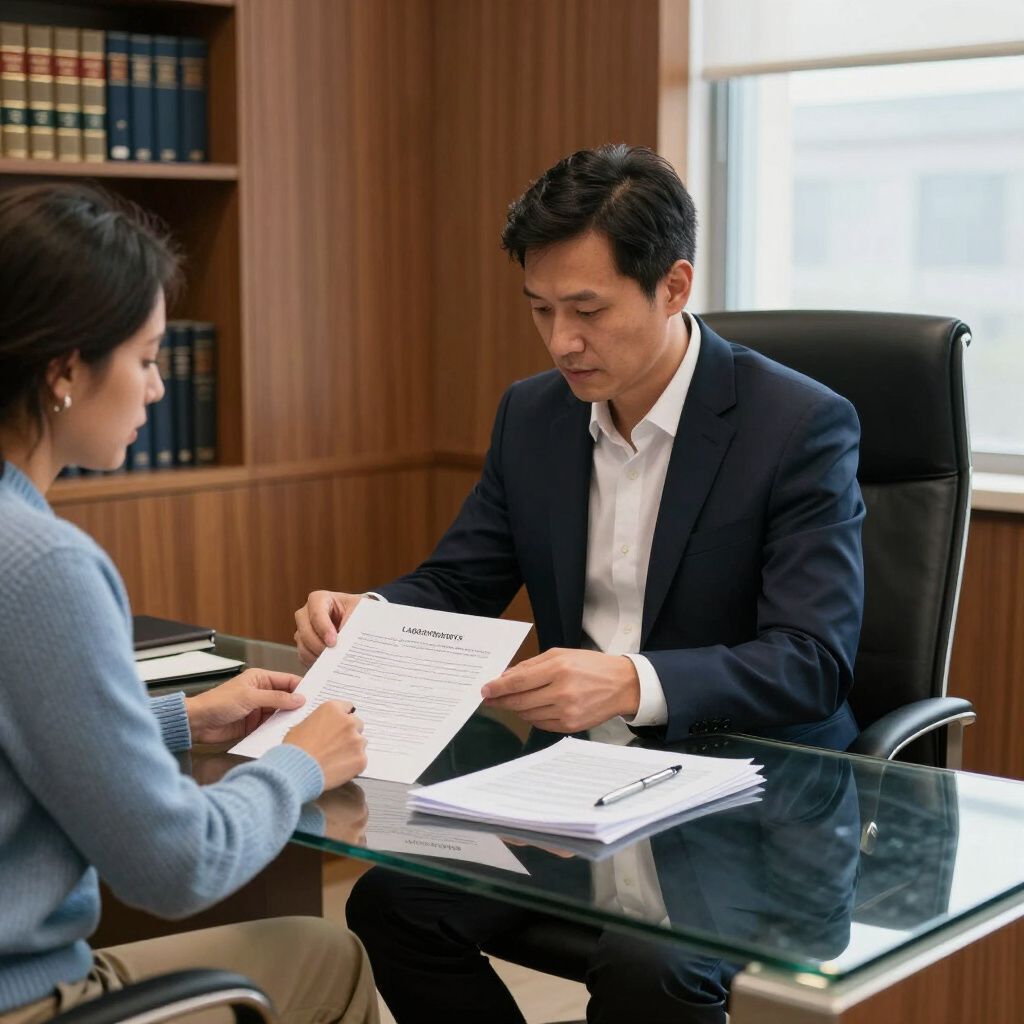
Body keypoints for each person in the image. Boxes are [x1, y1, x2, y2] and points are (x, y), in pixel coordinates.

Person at [295, 144, 865, 1021]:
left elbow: (811, 661)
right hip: (569, 785)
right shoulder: (534, 415)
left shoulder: (797, 425)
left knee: (650, 972)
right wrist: (368, 613)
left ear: (673, 286)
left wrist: (632, 680)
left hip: (743, 794)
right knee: (391, 907)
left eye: (588, 310)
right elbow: (458, 580)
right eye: (541, 309)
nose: (562, 340)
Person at [0, 183, 378, 1024]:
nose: (158, 389)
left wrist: (181, 720)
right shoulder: (43, 565)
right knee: (333, 957)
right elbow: (179, 867)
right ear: (64, 370)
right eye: (145, 358)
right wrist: (303, 762)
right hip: (27, 1002)